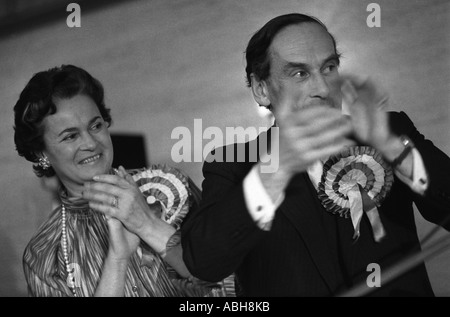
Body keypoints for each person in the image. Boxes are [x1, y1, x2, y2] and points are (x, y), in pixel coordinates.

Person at [181, 13, 450, 296]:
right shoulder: (233, 164)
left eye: (329, 67)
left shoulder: (391, 130)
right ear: (261, 89)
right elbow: (204, 262)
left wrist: (397, 152)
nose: (322, 89)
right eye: (300, 73)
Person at [14, 65, 233, 297]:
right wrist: (117, 260)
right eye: (70, 136)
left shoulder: (168, 188)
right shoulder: (45, 252)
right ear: (42, 153)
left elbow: (229, 279)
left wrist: (148, 225)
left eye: (95, 126)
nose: (90, 143)